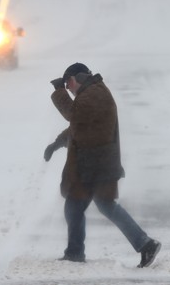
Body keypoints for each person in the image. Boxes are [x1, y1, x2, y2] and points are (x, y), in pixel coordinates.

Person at [44, 63, 161, 268]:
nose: (69, 89)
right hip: (93, 163)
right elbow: (78, 125)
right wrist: (57, 143)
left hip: (96, 164)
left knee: (83, 206)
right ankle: (142, 244)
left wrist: (58, 93)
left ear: (77, 78)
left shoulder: (94, 94)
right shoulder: (92, 93)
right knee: (85, 206)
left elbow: (74, 115)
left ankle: (143, 244)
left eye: (68, 84)